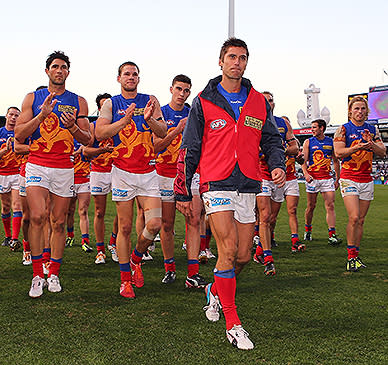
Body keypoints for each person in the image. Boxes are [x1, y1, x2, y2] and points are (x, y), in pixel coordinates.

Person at [174, 38, 285, 350]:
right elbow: (189, 148)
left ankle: (214, 289)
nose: (237, 62)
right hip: (216, 182)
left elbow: (272, 140)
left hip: (249, 183)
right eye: (232, 57)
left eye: (243, 57)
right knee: (227, 248)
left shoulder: (258, 101)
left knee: (244, 256)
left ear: (246, 63)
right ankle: (233, 324)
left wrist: (277, 164)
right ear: (220, 62)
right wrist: (182, 191)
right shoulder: (203, 100)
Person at [15, 51, 91, 298]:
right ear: (47, 71)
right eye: (55, 67)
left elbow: (87, 138)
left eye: (64, 67)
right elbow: (19, 135)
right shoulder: (32, 98)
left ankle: (54, 273)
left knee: (58, 221)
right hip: (37, 164)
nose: (60, 71)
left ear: (68, 72)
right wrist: (42, 115)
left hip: (63, 168)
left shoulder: (78, 101)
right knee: (37, 216)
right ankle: (37, 275)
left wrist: (72, 127)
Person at [95, 61, 167, 299]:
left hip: (148, 173)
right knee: (125, 227)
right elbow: (100, 133)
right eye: (127, 73)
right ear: (119, 78)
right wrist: (123, 121)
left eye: (135, 74)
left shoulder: (150, 100)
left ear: (139, 78)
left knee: (155, 224)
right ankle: (125, 280)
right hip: (123, 172)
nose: (131, 77)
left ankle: (136, 259)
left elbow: (163, 131)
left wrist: (149, 120)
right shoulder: (110, 103)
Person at [333, 96, 385, 271]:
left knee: (361, 220)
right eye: (356, 109)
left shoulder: (372, 129)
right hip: (349, 177)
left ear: (367, 111)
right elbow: (339, 152)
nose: (360, 112)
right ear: (350, 111)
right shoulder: (344, 129)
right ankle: (350, 257)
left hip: (367, 179)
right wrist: (357, 147)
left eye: (363, 109)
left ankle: (355, 255)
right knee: (354, 217)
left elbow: (383, 152)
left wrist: (371, 145)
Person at [254, 94, 300, 275]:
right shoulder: (253, 121)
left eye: (271, 99)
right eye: (265, 100)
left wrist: (277, 150)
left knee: (271, 219)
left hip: (280, 176)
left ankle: (259, 250)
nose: (268, 102)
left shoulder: (283, 123)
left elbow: (294, 147)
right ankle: (268, 259)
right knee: (264, 217)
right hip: (261, 175)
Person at [84, 93, 118, 264]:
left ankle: (113, 243)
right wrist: (102, 151)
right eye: (103, 106)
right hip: (99, 171)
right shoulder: (93, 126)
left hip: (118, 170)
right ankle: (100, 250)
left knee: (122, 211)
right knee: (99, 212)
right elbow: (86, 151)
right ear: (99, 109)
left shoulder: (119, 124)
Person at [302, 118, 342, 246]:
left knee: (330, 206)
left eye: (314, 127)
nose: (312, 130)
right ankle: (307, 229)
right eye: (312, 127)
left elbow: (336, 161)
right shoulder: (308, 142)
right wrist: (306, 174)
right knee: (311, 206)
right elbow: (303, 161)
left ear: (322, 128)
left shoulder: (331, 142)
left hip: (327, 179)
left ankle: (332, 235)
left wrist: (337, 178)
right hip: (313, 179)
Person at [0, 107, 23, 251]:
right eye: (11, 115)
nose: (14, 117)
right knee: (5, 206)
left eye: (16, 115)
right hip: (2, 174)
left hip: (17, 173)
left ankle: (14, 239)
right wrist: (5, 150)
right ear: (6, 116)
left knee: (17, 206)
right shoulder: (0, 132)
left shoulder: (21, 133)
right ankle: (8, 236)